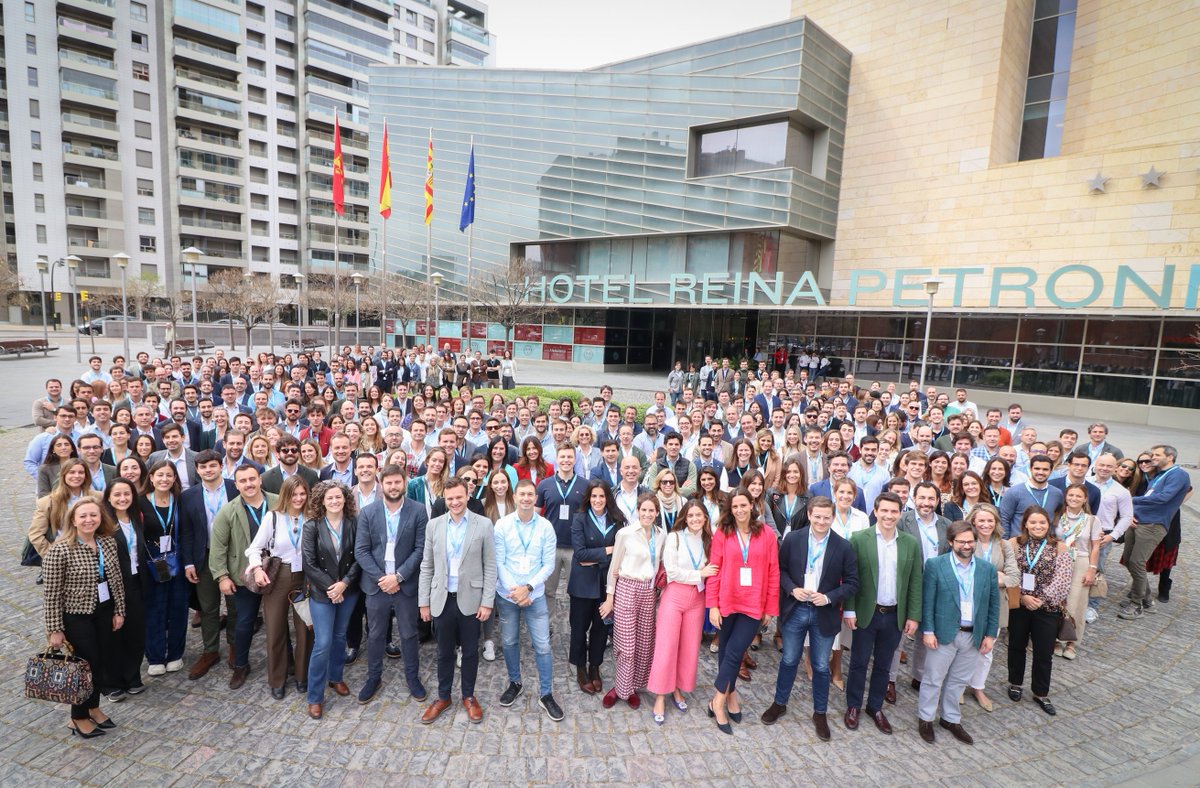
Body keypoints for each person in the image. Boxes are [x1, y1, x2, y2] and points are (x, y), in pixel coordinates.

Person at [761, 496, 859, 741]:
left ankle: (820, 713)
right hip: (796, 608)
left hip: (823, 612)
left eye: (826, 517)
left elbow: (852, 583)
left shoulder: (843, 546)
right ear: (809, 515)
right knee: (789, 659)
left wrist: (828, 598)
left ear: (833, 518)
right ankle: (779, 703)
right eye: (817, 516)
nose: (821, 522)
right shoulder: (793, 539)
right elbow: (780, 571)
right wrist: (792, 589)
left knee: (821, 665)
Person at [42, 498, 127, 738]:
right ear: (73, 520)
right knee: (84, 666)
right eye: (83, 516)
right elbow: (51, 594)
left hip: (104, 611)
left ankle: (93, 707)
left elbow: (116, 580)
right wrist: (54, 629)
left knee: (100, 662)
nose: (89, 520)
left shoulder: (107, 543)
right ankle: (77, 717)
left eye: (94, 515)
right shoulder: (60, 550)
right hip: (76, 616)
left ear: (101, 518)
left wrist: (119, 610)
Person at [915, 519, 1001, 745]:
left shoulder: (987, 569)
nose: (966, 546)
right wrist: (928, 631)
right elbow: (927, 601)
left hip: (973, 635)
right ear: (951, 542)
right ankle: (926, 718)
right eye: (961, 541)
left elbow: (993, 604)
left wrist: (990, 635)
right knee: (933, 678)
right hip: (943, 633)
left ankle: (950, 718)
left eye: (970, 541)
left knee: (959, 680)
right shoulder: (935, 565)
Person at [418, 478, 496, 724]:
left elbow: (490, 565)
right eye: (450, 498)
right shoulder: (434, 526)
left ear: (467, 496)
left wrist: (487, 602)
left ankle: (468, 696)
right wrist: (424, 602)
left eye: (459, 497)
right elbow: (427, 565)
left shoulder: (483, 524)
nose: (454, 502)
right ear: (445, 498)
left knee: (470, 651)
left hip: (471, 598)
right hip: (442, 598)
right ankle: (443, 696)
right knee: (443, 652)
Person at [843, 492, 922, 735]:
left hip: (894, 615)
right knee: (858, 662)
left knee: (884, 664)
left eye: (894, 511)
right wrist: (849, 609)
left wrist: (913, 615)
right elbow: (851, 578)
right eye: (884, 510)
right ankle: (853, 705)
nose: (889, 515)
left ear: (900, 513)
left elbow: (915, 581)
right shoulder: (859, 539)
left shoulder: (910, 543)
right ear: (875, 512)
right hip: (867, 612)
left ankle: (875, 706)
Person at [706, 490, 780, 735]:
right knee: (726, 652)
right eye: (735, 506)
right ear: (730, 509)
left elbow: (773, 571)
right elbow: (714, 570)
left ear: (752, 506)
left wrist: (770, 607)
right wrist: (713, 605)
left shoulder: (766, 534)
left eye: (743, 505)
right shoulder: (722, 533)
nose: (739, 510)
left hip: (753, 603)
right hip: (726, 601)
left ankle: (716, 701)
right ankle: (731, 697)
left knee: (735, 651)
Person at [354, 464, 429, 705]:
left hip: (405, 586)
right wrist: (383, 579)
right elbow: (361, 550)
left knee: (409, 633)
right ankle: (373, 678)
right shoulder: (368, 513)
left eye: (398, 482)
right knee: (375, 634)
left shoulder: (418, 511)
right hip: (376, 586)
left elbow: (421, 549)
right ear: (381, 484)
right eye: (389, 483)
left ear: (404, 482)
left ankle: (412, 678)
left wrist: (398, 577)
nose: (394, 486)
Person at [493, 479, 563, 721]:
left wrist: (528, 589)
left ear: (535, 498)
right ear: (514, 497)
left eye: (530, 495)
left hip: (535, 595)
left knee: (542, 645)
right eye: (521, 494)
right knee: (509, 641)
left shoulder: (545, 527)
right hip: (508, 595)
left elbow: (548, 564)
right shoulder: (502, 525)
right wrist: (516, 591)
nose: (525, 498)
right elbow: (499, 561)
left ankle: (546, 694)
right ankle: (515, 682)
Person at [647, 500, 716, 725]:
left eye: (699, 515)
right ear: (685, 518)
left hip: (697, 599)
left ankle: (677, 687)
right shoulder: (674, 538)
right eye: (691, 515)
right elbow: (673, 572)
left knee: (689, 647)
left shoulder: (710, 540)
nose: (695, 519)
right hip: (675, 596)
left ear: (705, 518)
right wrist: (700, 574)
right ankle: (660, 695)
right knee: (666, 646)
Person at [244, 475, 312, 700]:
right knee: (276, 629)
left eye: (302, 494)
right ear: (285, 495)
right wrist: (257, 569)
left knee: (305, 628)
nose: (299, 498)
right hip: (279, 575)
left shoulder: (312, 517)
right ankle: (277, 679)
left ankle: (302, 675)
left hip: (305, 576)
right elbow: (254, 548)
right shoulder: (273, 517)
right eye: (294, 494)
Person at [209, 464, 277, 689]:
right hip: (244, 574)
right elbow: (218, 547)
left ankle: (286, 662)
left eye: (252, 479)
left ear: (260, 480)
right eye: (243, 481)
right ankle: (241, 664)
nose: (248, 484)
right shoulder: (228, 511)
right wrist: (222, 577)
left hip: (278, 571)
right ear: (236, 485)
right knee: (244, 621)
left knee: (279, 621)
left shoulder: (278, 502)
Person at [600, 493, 666, 709]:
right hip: (627, 588)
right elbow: (614, 567)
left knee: (644, 644)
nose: (647, 514)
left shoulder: (661, 535)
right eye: (643, 510)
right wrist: (610, 597)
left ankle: (631, 687)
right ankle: (620, 689)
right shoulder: (625, 534)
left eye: (651, 510)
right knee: (626, 645)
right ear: (637, 511)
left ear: (657, 512)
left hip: (649, 591)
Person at [302, 480, 361, 719]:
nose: (335, 501)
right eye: (330, 498)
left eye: (338, 497)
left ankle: (335, 677)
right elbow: (309, 563)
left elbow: (359, 556)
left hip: (348, 590)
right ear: (322, 501)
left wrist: (344, 584)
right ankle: (315, 696)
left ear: (345, 499)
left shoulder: (354, 523)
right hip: (322, 592)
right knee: (323, 642)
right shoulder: (312, 526)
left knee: (339, 636)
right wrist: (332, 587)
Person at [179, 450, 239, 680]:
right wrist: (188, 563)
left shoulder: (235, 488)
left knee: (235, 606)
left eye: (212, 465)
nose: (208, 470)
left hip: (233, 556)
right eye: (203, 467)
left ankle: (235, 645)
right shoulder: (189, 496)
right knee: (208, 607)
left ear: (221, 466)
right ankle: (210, 650)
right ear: (197, 470)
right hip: (204, 556)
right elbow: (186, 532)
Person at [1007, 506, 1073, 715]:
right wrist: (1023, 597)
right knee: (1016, 645)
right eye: (1033, 522)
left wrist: (1040, 600)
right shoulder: (1013, 544)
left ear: (1048, 524)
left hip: (1048, 608)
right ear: (1025, 524)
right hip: (1019, 604)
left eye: (1042, 522)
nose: (1038, 526)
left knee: (1044, 652)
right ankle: (1015, 683)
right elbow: (1008, 572)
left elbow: (1063, 580)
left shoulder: (1060, 547)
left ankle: (1040, 692)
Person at [1119, 445, 1190, 619]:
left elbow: (1164, 497)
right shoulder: (1159, 475)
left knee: (1137, 562)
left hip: (1153, 524)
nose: (1153, 458)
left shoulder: (1178, 474)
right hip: (1139, 521)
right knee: (1128, 560)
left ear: (1170, 457)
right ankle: (1147, 599)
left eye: (1157, 455)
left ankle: (1137, 605)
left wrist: (1132, 500)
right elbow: (1150, 495)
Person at [568, 480, 622, 695]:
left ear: (607, 498)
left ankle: (595, 667)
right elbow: (580, 554)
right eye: (594, 496)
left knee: (601, 629)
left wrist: (596, 557)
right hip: (582, 585)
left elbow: (622, 553)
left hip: (605, 584)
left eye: (601, 496)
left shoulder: (617, 520)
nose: (598, 500)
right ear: (588, 498)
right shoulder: (579, 519)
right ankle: (581, 668)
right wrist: (608, 550)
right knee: (579, 628)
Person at [139, 460, 189, 676]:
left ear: (175, 478)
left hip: (177, 563)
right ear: (151, 477)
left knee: (178, 609)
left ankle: (175, 654)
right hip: (152, 564)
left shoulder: (180, 501)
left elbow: (187, 531)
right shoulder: (140, 502)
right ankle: (156, 656)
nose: (164, 479)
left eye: (169, 475)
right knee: (154, 610)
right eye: (160, 475)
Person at [966, 503, 1017, 711]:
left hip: (995, 605)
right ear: (973, 521)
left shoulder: (1004, 545)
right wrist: (996, 576)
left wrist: (986, 578)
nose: (986, 524)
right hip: (969, 602)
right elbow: (963, 573)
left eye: (990, 520)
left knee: (986, 650)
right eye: (981, 520)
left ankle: (978, 687)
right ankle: (958, 685)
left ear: (996, 522)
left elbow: (1014, 577)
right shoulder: (967, 541)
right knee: (965, 646)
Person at [102, 479, 148, 702]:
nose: (122, 498)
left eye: (127, 494)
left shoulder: (136, 517)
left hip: (136, 580)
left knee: (135, 632)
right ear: (108, 497)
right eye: (117, 494)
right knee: (114, 633)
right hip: (112, 585)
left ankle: (132, 677)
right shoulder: (104, 523)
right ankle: (112, 683)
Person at [1054, 484, 1101, 660]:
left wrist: (1092, 569)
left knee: (1077, 602)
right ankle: (1056, 639)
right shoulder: (1058, 517)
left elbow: (1096, 547)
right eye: (1071, 495)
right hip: (1060, 560)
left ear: (1085, 499)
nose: (1074, 498)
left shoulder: (1092, 520)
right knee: (1058, 600)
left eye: (1078, 496)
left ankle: (1072, 642)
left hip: (1081, 561)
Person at [535, 444, 584, 606]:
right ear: (556, 459)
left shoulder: (585, 485)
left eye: (569, 457)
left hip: (575, 547)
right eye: (562, 457)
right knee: (548, 591)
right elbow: (535, 516)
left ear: (575, 459)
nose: (566, 460)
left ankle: (574, 622)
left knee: (576, 592)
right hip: (551, 547)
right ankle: (547, 621)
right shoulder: (544, 485)